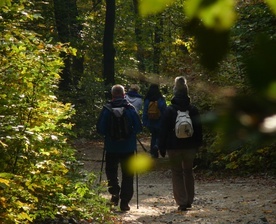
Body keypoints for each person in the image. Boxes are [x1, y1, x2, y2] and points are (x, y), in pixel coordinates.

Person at [158, 76, 203, 211]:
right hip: (190, 146)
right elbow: (199, 129)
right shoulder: (193, 109)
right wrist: (198, 145)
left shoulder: (170, 109)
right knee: (188, 172)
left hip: (174, 146)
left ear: (174, 91)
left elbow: (163, 129)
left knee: (177, 172)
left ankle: (182, 202)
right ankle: (189, 200)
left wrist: (162, 147)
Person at [97, 84, 142, 211]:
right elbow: (138, 128)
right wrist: (130, 134)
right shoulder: (130, 109)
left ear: (112, 95)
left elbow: (100, 128)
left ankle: (115, 193)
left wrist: (109, 134)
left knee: (111, 171)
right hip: (128, 147)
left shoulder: (107, 109)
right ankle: (125, 202)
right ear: (124, 94)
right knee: (128, 174)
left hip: (111, 147)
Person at [142, 84, 167, 158]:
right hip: (160, 121)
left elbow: (145, 111)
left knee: (153, 135)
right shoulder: (160, 99)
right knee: (160, 135)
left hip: (150, 121)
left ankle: (153, 153)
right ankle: (157, 145)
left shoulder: (147, 99)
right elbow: (164, 110)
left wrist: (145, 122)